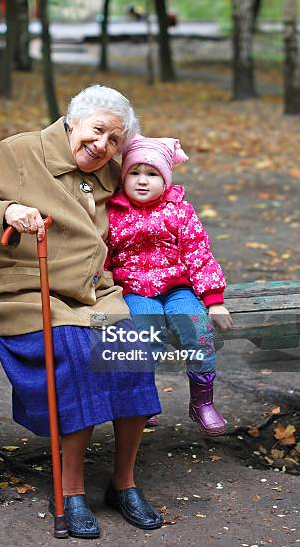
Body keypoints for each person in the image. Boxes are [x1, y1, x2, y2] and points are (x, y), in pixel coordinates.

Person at [0, 86, 164, 539]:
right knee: (75, 348)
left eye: (114, 140)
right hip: (27, 289)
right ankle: (70, 491)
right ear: (73, 121)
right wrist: (8, 211)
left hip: (92, 292)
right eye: (97, 131)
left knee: (131, 350)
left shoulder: (109, 170)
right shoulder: (20, 152)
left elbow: (153, 194)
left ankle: (123, 483)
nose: (102, 145)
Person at [105, 134, 233, 435]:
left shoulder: (179, 210)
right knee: (144, 334)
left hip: (177, 287)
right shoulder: (113, 213)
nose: (142, 180)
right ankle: (143, 401)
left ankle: (202, 401)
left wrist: (214, 300)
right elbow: (103, 255)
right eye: (134, 173)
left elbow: (198, 253)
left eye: (152, 174)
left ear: (166, 179)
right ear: (123, 177)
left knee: (197, 328)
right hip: (135, 289)